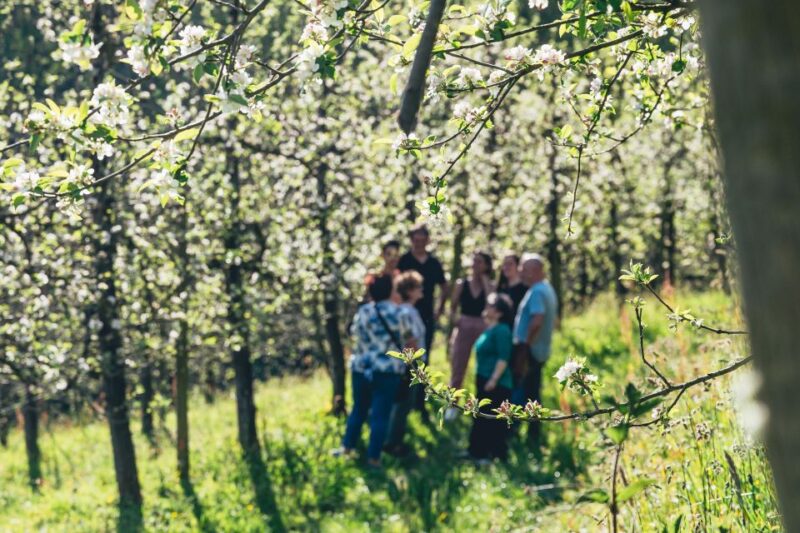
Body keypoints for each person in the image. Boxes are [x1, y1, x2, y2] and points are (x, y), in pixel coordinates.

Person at [337, 275, 412, 467]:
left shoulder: (363, 312)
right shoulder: (400, 313)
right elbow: (409, 339)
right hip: (388, 370)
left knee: (358, 409)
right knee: (380, 415)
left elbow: (353, 333)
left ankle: (347, 448)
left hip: (361, 368)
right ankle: (374, 458)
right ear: (391, 290)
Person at [513, 253, 559, 446]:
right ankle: (533, 434)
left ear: (536, 270)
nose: (521, 272)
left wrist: (524, 346)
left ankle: (518, 432)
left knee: (524, 392)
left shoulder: (538, 292)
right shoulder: (546, 288)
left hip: (531, 351)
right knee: (533, 392)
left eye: (524, 269)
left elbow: (537, 320)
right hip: (540, 350)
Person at [467, 293, 514, 463]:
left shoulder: (502, 330)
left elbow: (503, 357)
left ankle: (490, 455)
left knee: (492, 419)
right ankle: (475, 451)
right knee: (480, 415)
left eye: (490, 306)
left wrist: (494, 379)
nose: (486, 308)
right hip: (484, 378)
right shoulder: (491, 328)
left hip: (496, 383)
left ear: (500, 312)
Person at [384, 271, 426, 456]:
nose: (421, 290)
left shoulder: (407, 310)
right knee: (403, 403)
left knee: (402, 402)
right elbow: (410, 340)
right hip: (410, 364)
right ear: (409, 290)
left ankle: (392, 439)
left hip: (409, 363)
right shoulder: (407, 312)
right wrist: (416, 365)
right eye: (418, 287)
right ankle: (393, 443)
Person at [398, 225, 448, 360]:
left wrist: (439, 309)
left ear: (427, 241)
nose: (419, 243)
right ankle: (408, 377)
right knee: (407, 349)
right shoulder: (404, 260)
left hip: (427, 312)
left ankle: (421, 378)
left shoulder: (434, 263)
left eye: (422, 240)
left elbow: (444, 286)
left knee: (423, 349)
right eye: (416, 240)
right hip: (406, 312)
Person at [448, 251, 494, 390]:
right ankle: (453, 405)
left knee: (485, 364)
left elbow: (491, 304)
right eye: (473, 261)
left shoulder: (490, 285)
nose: (475, 265)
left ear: (486, 265)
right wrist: (455, 320)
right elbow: (452, 307)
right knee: (458, 364)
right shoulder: (462, 283)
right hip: (464, 324)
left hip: (483, 325)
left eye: (479, 262)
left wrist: (486, 283)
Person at [497, 253, 528, 324]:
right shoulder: (501, 287)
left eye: (510, 264)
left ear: (518, 266)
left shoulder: (525, 287)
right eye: (504, 264)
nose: (506, 267)